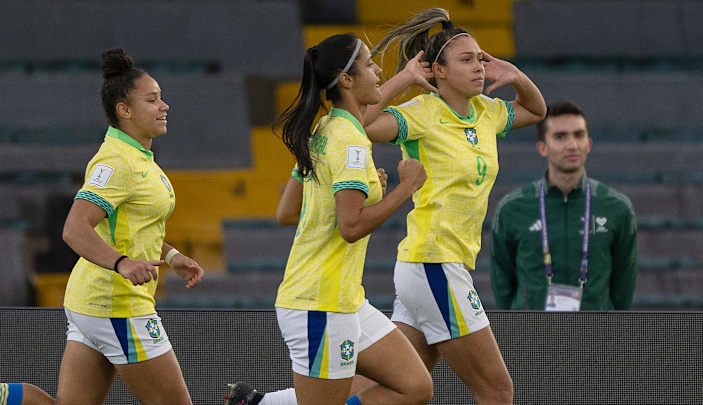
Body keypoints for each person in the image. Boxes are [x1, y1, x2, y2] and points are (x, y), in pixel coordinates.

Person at [226, 33, 436, 405]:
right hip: (319, 303)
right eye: (370, 65)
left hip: (345, 299)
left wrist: (362, 194)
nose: (376, 71)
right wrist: (406, 188)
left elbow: (287, 212)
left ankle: (257, 404)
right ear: (347, 79)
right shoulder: (350, 142)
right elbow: (350, 226)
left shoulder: (324, 131)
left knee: (414, 386)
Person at [351, 8, 547, 404]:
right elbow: (362, 124)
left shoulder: (486, 113)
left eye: (480, 58)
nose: (478, 67)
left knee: (396, 389)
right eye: (466, 60)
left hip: (432, 268)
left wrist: (517, 77)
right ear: (436, 71)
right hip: (433, 264)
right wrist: (406, 77)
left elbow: (536, 111)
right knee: (497, 390)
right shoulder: (422, 114)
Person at [1, 48, 204, 405]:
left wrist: (171, 256)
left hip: (92, 304)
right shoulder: (116, 162)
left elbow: (130, 228)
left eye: (162, 98)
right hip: (118, 307)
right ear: (124, 110)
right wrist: (122, 263)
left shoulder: (138, 157)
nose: (164, 105)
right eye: (153, 99)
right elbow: (75, 228)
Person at [490, 101, 637, 311]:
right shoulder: (512, 208)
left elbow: (623, 286)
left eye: (579, 135)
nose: (572, 145)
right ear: (542, 147)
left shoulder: (616, 207)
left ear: (589, 143)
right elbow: (502, 284)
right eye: (560, 136)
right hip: (533, 337)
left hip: (596, 337)